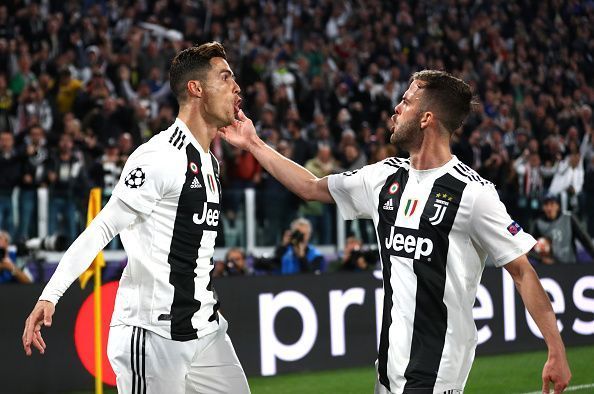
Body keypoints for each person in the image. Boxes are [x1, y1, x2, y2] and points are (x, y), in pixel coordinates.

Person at [219, 70, 571, 393]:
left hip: (438, 368)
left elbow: (522, 271)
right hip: (389, 366)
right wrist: (254, 144)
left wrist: (555, 350)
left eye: (406, 101)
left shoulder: (474, 194)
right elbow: (311, 187)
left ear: (426, 118)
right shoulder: (383, 177)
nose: (396, 108)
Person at [22, 42, 250, 394]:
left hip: (206, 330)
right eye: (225, 77)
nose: (237, 86)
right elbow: (101, 229)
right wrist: (49, 295)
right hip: (154, 334)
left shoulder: (210, 162)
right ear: (196, 89)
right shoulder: (158, 156)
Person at [531, 194, 594, 265]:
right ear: (543, 207)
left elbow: (584, 238)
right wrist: (541, 259)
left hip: (570, 265)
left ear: (558, 206)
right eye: (546, 205)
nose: (549, 208)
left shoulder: (569, 218)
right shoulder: (538, 224)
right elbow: (528, 249)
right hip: (549, 268)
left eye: (552, 204)